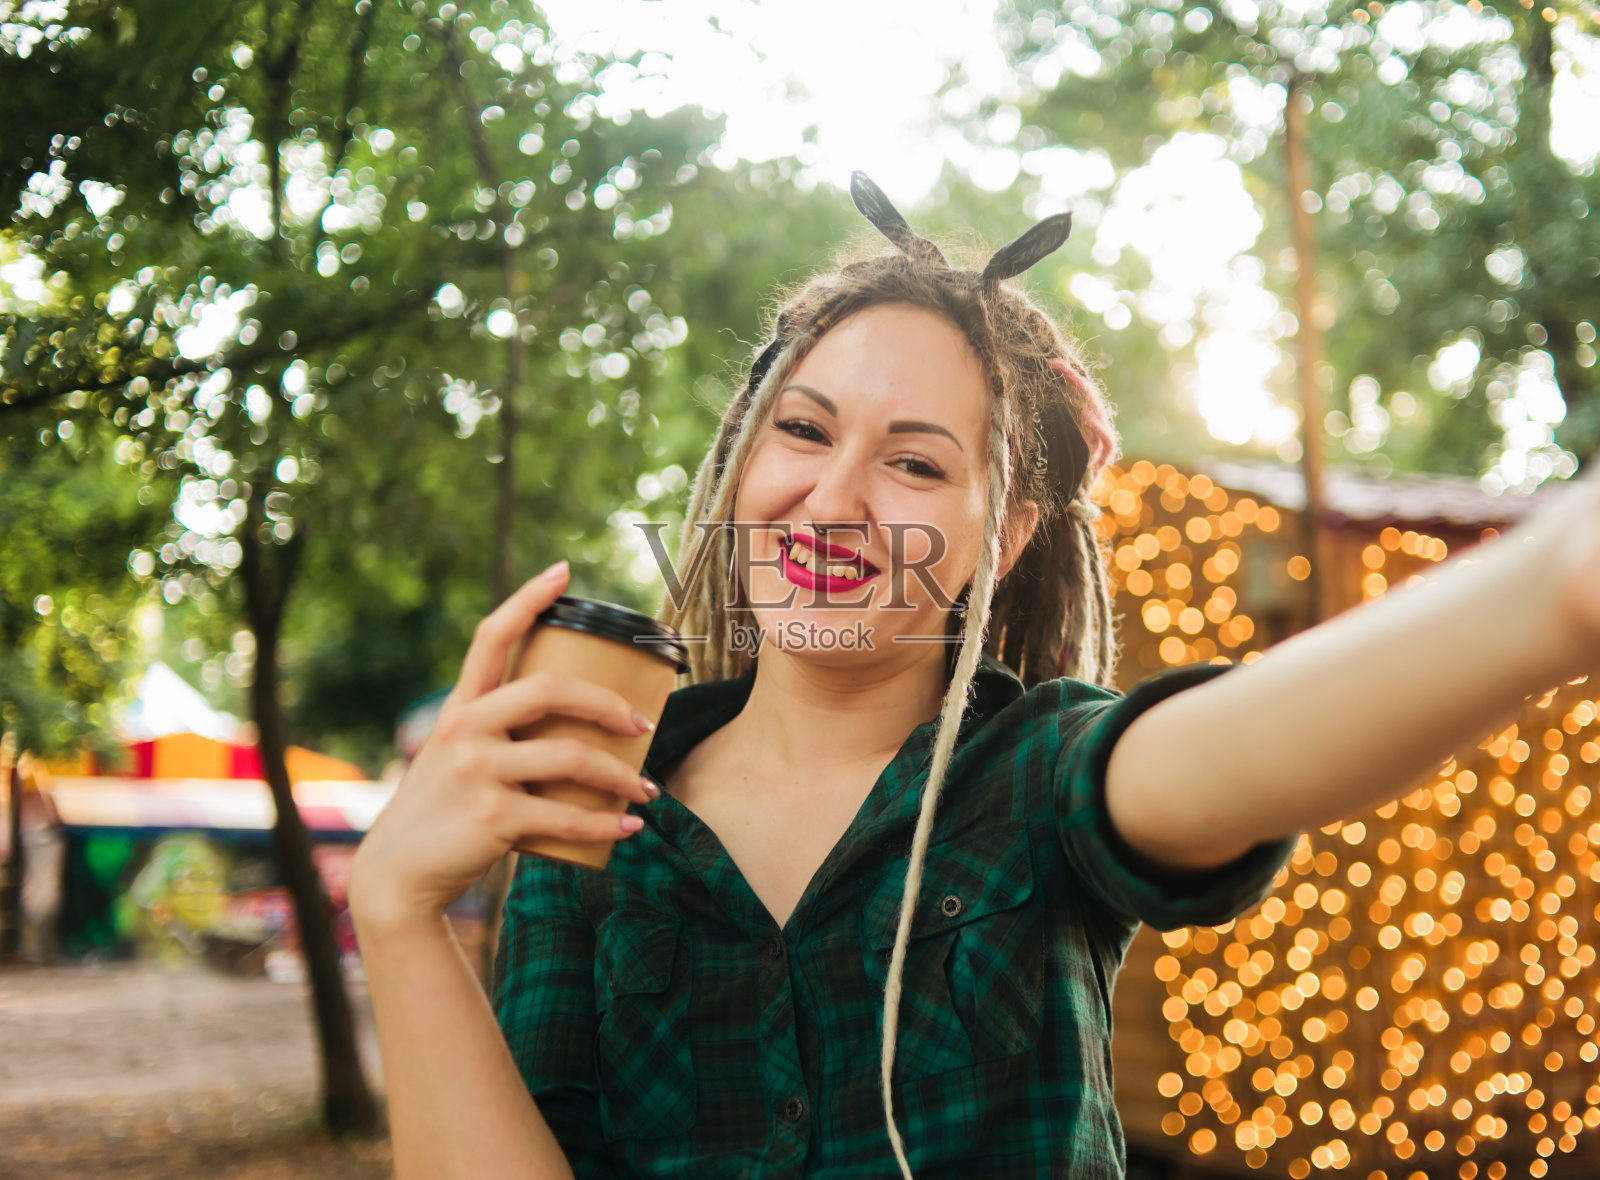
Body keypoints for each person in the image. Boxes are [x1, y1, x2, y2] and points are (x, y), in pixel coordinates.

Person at [347, 174, 1600, 1180]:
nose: (832, 501)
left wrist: (1545, 592)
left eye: (916, 465)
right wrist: (397, 908)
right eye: (803, 430)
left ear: (1000, 540)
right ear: (742, 457)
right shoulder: (596, 804)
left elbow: (1233, 748)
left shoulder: (1040, 769)